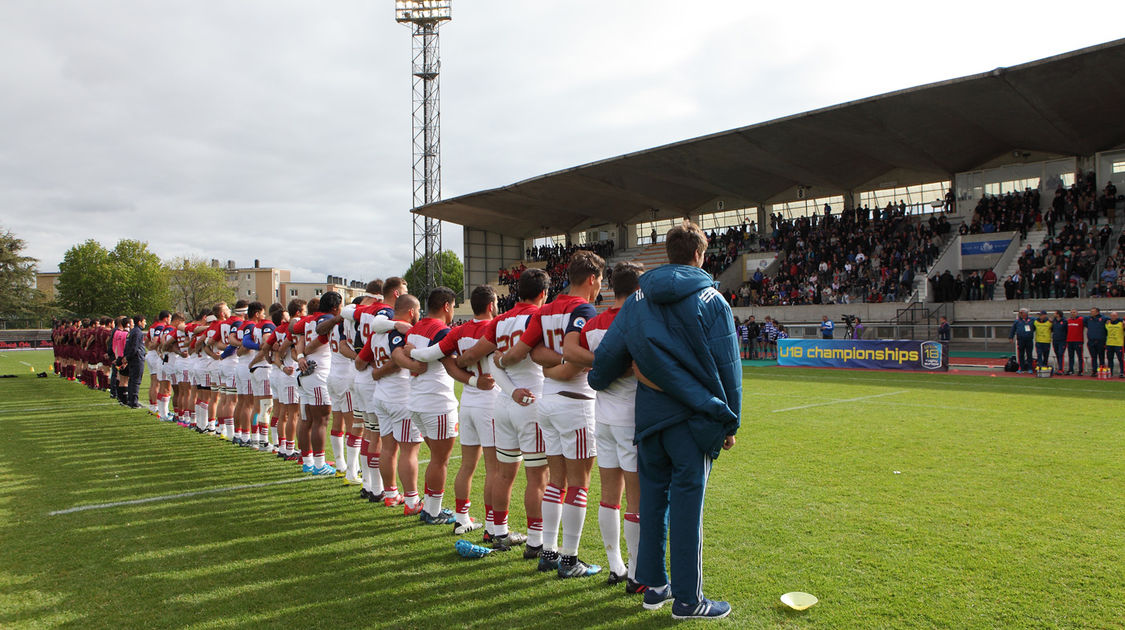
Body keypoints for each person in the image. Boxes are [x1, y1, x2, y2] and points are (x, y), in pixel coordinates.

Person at [589, 220, 740, 620]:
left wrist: (597, 378)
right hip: (693, 419)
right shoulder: (712, 299)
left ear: (668, 253)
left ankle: (654, 587)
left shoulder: (638, 301)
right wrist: (731, 423)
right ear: (698, 255)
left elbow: (607, 358)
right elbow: (728, 367)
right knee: (689, 506)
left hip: (650, 418)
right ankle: (689, 600)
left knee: (654, 500)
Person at [563, 261, 646, 592]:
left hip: (603, 417)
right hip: (632, 418)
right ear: (640, 289)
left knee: (609, 495)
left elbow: (581, 360)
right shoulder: (637, 319)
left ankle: (616, 566)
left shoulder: (593, 324)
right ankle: (638, 575)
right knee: (637, 500)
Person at [124, 314, 147, 408]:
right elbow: (134, 347)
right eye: (144, 321)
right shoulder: (138, 332)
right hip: (137, 359)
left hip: (133, 358)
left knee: (132, 379)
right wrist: (129, 357)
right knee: (136, 380)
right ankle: (134, 401)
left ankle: (131, 400)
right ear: (139, 322)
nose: (145, 323)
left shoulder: (133, 331)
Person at [1008, 308, 1034, 374]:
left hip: (1029, 340)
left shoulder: (1032, 319)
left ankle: (1030, 368)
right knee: (1021, 355)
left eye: (1022, 313)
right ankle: (1021, 368)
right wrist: (1011, 337)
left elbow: (1039, 321)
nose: (1021, 314)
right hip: (1021, 340)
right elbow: (1013, 330)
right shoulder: (1017, 321)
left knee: (1029, 355)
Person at [1084, 307, 1107, 377]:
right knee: (1093, 357)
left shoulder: (1103, 318)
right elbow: (1084, 322)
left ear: (1097, 312)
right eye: (1091, 311)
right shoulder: (1088, 319)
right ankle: (1094, 370)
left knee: (1101, 356)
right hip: (1091, 341)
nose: (1091, 313)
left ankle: (1102, 370)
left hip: (1100, 341)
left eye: (1093, 311)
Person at [1065, 309, 1085, 375]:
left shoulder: (1081, 320)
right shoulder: (1068, 321)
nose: (1072, 313)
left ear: (1077, 313)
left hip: (1078, 341)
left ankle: (1081, 370)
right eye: (1071, 312)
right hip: (1070, 341)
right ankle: (1071, 370)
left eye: (1074, 312)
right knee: (1071, 356)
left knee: (1080, 356)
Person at [1105, 312, 1124, 377]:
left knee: (1120, 359)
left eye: (1114, 315)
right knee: (1110, 359)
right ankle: (1110, 372)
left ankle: (1122, 372)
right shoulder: (1107, 323)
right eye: (1112, 315)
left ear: (1117, 316)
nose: (1113, 317)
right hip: (1109, 344)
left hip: (1118, 344)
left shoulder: (1121, 323)